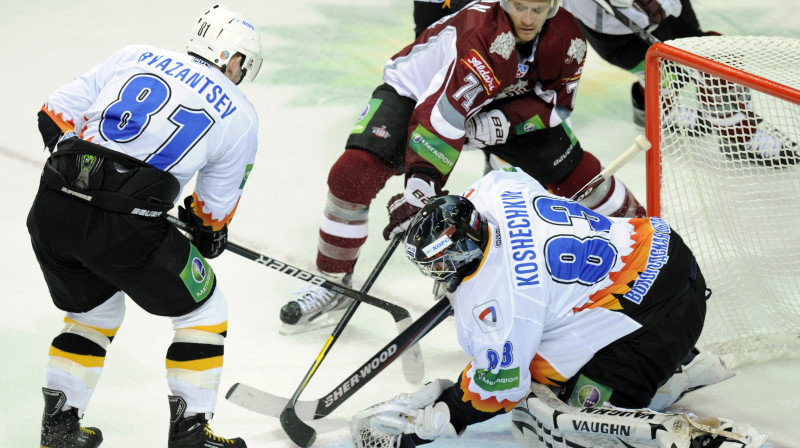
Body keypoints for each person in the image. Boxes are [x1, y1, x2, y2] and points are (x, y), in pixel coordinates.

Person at [279, 0, 647, 331]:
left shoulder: (569, 38)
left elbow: (557, 104)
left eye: (538, 8)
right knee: (351, 174)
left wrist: (505, 122)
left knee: (582, 177)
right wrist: (420, 189)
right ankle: (333, 280)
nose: (529, 18)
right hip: (418, 94)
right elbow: (441, 116)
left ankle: (645, 244)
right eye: (520, 7)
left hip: (504, 101)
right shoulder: (481, 36)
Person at [349, 167, 767, 448]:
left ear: (461, 253)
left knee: (564, 419)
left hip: (661, 315)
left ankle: (680, 400)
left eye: (440, 263)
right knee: (541, 357)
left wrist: (439, 417)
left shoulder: (504, 298)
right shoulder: (492, 190)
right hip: (666, 252)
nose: (437, 272)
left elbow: (500, 388)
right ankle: (672, 361)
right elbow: (523, 180)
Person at [27, 4, 262, 447]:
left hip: (52, 209)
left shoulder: (135, 54)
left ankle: (58, 431)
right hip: (123, 228)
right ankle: (192, 436)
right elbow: (210, 215)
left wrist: (88, 178)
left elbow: (51, 115)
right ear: (233, 59)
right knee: (205, 309)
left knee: (92, 312)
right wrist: (205, 233)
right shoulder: (241, 113)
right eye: (242, 64)